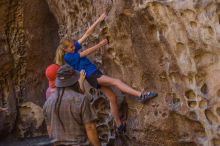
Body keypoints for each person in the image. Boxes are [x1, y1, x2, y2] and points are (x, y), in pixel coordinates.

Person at [55, 12, 158, 132]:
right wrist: (100, 44)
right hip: (92, 75)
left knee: (112, 98)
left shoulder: (71, 51)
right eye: (71, 47)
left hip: (93, 74)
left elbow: (87, 34)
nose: (74, 48)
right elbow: (85, 53)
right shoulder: (68, 57)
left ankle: (119, 125)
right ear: (65, 49)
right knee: (116, 81)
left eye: (74, 46)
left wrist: (99, 19)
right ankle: (141, 95)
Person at [43, 64, 100, 146]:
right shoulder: (81, 100)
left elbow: (50, 130)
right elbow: (90, 128)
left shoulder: (48, 103)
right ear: (74, 81)